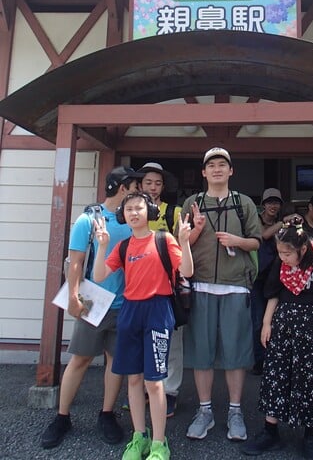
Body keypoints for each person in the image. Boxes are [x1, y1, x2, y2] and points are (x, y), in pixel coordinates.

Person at [40, 166, 142, 450]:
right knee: (80, 359)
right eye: (134, 186)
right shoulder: (89, 219)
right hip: (94, 303)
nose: (138, 192)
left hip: (125, 304)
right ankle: (62, 417)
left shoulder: (132, 220)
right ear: (123, 187)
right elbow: (75, 261)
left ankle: (107, 414)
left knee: (115, 361)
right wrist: (73, 297)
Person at [93, 191, 193, 460]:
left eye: (138, 208)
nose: (133, 213)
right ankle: (139, 436)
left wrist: (185, 242)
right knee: (134, 378)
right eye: (128, 209)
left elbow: (187, 271)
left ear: (149, 211)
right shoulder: (123, 246)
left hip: (158, 311)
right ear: (122, 215)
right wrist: (102, 246)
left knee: (155, 381)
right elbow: (99, 275)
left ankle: (159, 443)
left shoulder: (164, 239)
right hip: (130, 312)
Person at [243, 218, 313, 460]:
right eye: (280, 253)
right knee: (275, 376)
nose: (283, 258)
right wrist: (266, 323)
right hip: (282, 327)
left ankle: (309, 435)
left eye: (288, 254)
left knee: (309, 380)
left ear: (303, 249)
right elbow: (273, 292)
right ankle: (270, 430)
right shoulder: (282, 262)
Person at [182, 147, 261, 442]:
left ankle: (235, 411)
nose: (217, 169)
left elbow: (256, 241)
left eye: (222, 165)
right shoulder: (193, 203)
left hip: (235, 285)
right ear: (204, 172)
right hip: (200, 284)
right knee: (201, 352)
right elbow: (181, 243)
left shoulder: (244, 203)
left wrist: (238, 241)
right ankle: (205, 411)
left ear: (231, 171)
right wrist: (196, 229)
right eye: (211, 165)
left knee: (235, 352)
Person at [139, 161, 183, 419]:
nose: (153, 187)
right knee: (142, 341)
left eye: (157, 183)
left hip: (168, 286)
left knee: (172, 342)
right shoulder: (133, 211)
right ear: (140, 185)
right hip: (137, 286)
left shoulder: (174, 213)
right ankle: (144, 391)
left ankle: (171, 391)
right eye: (148, 182)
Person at [250, 188, 284, 375]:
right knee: (258, 320)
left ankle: (274, 360)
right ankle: (260, 360)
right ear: (263, 204)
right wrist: (282, 223)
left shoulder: (283, 224)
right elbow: (263, 235)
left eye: (276, 202)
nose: (273, 206)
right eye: (270, 202)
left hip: (277, 278)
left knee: (276, 321)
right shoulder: (256, 219)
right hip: (258, 277)